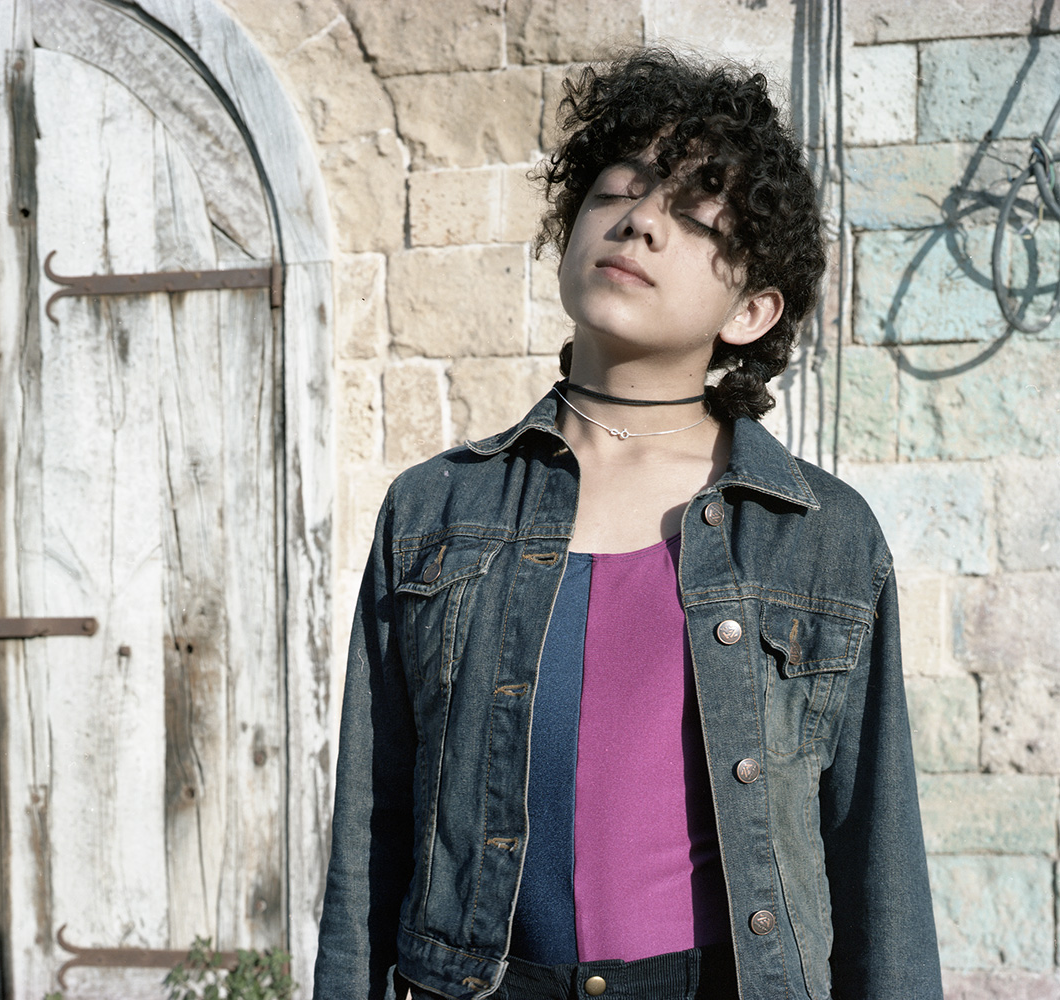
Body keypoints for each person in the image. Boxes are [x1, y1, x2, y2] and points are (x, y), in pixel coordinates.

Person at [314, 47, 942, 1000]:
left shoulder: (820, 536)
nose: (640, 221)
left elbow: (876, 861)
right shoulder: (434, 510)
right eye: (618, 192)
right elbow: (373, 829)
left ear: (751, 310)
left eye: (694, 218)